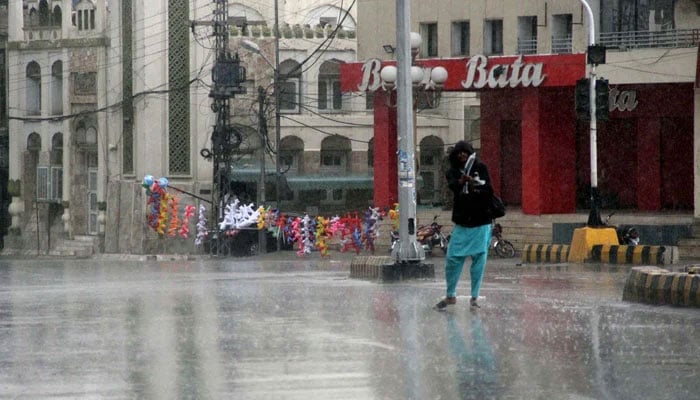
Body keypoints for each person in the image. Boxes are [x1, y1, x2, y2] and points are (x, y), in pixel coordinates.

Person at [435, 141, 494, 310]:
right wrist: (462, 181)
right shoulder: (452, 172)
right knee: (453, 258)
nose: (462, 155)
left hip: (482, 221)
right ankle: (450, 295)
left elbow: (489, 190)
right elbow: (454, 186)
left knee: (479, 259)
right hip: (462, 221)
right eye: (459, 152)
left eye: (465, 152)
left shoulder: (481, 168)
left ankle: (474, 297)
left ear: (470, 153)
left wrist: (475, 186)